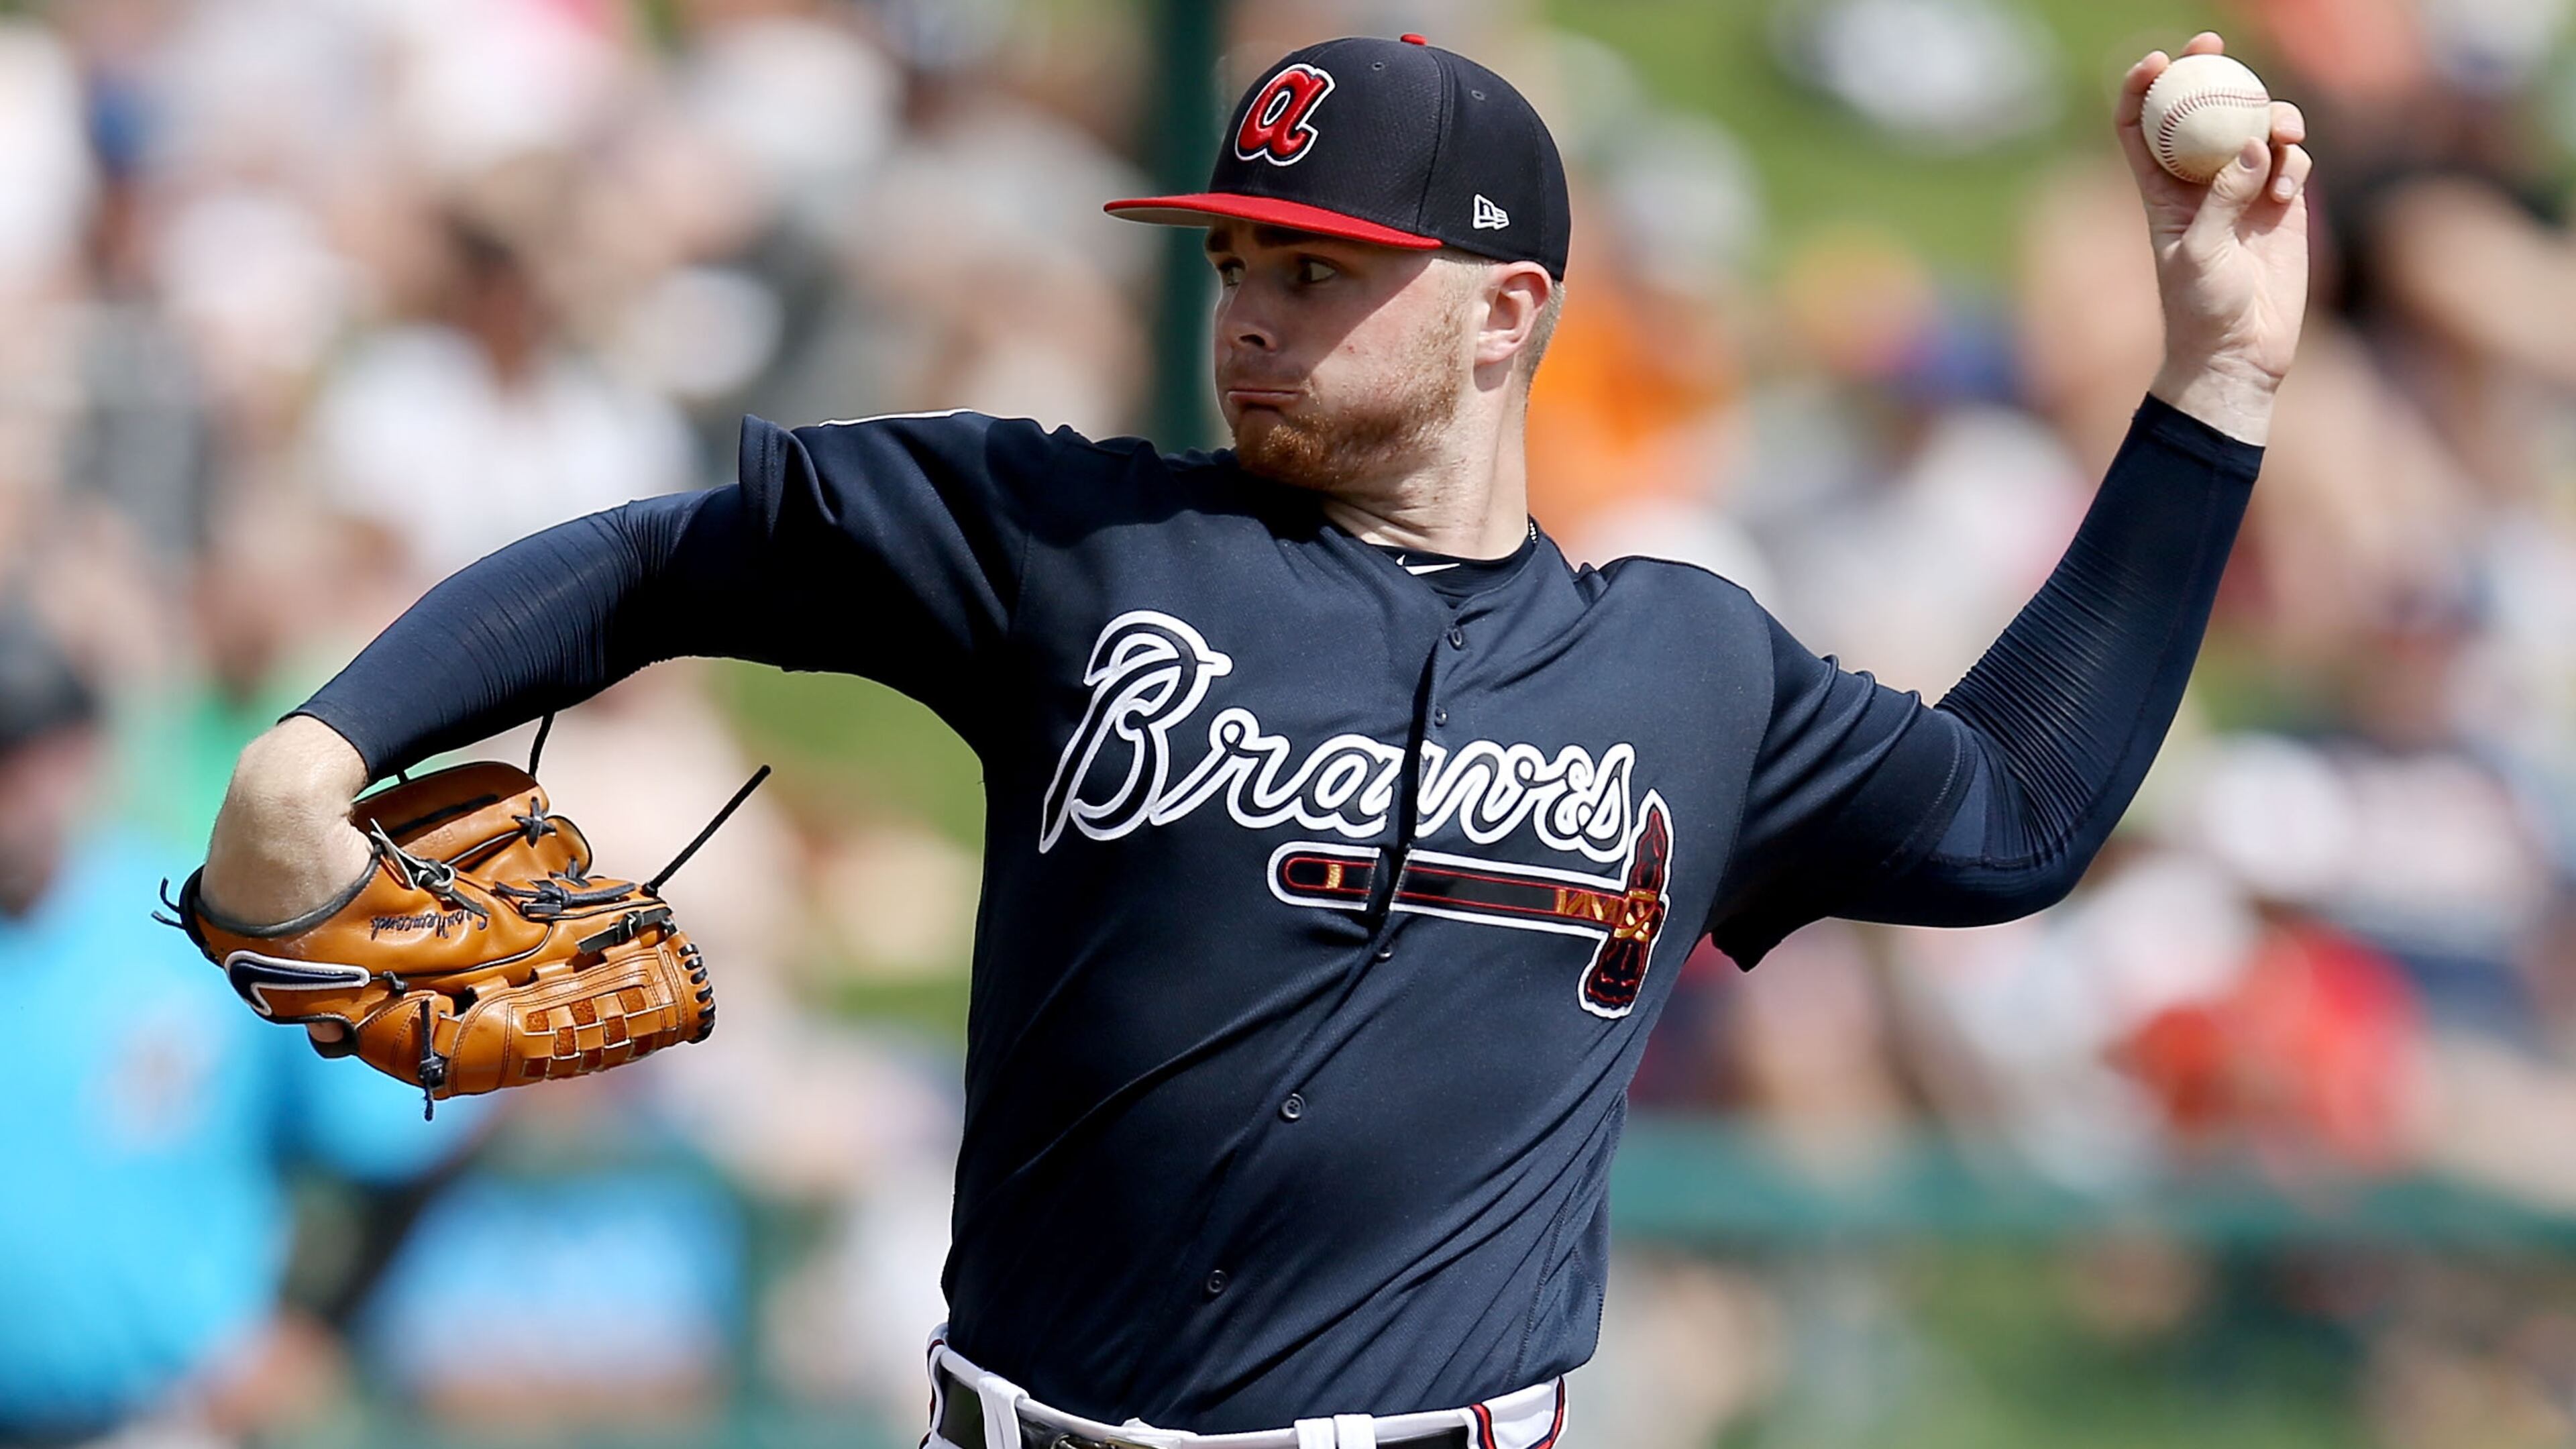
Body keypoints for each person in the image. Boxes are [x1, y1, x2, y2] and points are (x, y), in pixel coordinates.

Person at [192, 31, 2310, 1449]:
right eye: (1238, 264)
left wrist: (2211, 381)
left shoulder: (1690, 668)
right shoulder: (1076, 544)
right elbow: (670, 557)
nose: (1255, 316)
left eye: (1320, 270)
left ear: (1507, 312)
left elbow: (2012, 815)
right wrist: (318, 749)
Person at [0, 605, 481, 1447]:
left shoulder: (199, 941)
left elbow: (419, 1135)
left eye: (13, 747)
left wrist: (320, 1327)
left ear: (78, 751)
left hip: (151, 1422)